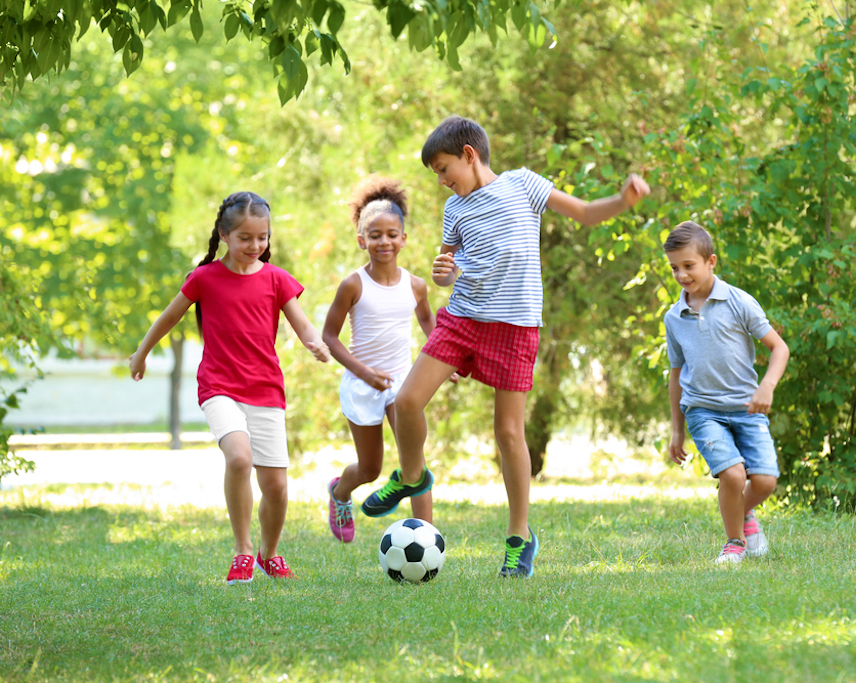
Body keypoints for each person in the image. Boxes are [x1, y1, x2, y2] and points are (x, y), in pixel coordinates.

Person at [360, 115, 650, 578]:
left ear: (469, 155)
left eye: (443, 168)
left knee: (509, 433)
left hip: (515, 327)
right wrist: (444, 275)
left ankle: (519, 538)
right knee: (408, 401)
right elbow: (452, 266)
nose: (440, 181)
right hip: (462, 318)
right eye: (435, 173)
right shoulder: (454, 210)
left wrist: (622, 200)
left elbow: (583, 212)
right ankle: (410, 477)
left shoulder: (523, 185)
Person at [129, 192, 330, 584]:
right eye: (245, 238)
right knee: (239, 458)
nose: (255, 246)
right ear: (224, 235)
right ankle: (241, 551)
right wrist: (141, 352)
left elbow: (301, 323)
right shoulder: (204, 278)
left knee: (275, 486)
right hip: (219, 384)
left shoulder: (276, 279)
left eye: (262, 238)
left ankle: (268, 553)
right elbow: (168, 317)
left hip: (265, 388)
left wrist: (314, 342)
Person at [321, 175, 444, 543]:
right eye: (375, 235)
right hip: (362, 383)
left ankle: (427, 537)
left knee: (414, 462)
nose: (384, 241)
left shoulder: (416, 285)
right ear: (362, 240)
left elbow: (427, 321)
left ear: (404, 238)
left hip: (403, 385)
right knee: (371, 469)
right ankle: (340, 492)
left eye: (392, 234)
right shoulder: (353, 285)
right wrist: (363, 371)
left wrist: (443, 359)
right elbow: (330, 336)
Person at [663, 220, 790, 564]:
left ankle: (743, 514)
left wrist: (767, 386)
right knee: (733, 475)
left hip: (747, 407)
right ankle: (734, 542)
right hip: (702, 409)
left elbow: (779, 348)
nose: (681, 274)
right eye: (674, 267)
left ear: (711, 262)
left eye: (688, 266)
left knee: (764, 481)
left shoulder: (738, 302)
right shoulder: (674, 317)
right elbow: (676, 374)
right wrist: (677, 429)